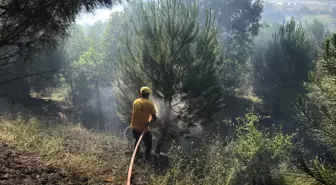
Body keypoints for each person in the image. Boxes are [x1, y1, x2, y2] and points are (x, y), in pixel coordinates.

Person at [130, 86, 157, 161]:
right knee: (148, 144)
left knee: (137, 140)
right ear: (148, 94)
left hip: (134, 127)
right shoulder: (150, 104)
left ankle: (136, 156)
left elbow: (138, 113)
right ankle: (146, 159)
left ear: (141, 94)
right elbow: (154, 118)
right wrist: (150, 121)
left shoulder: (135, 102)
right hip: (144, 128)